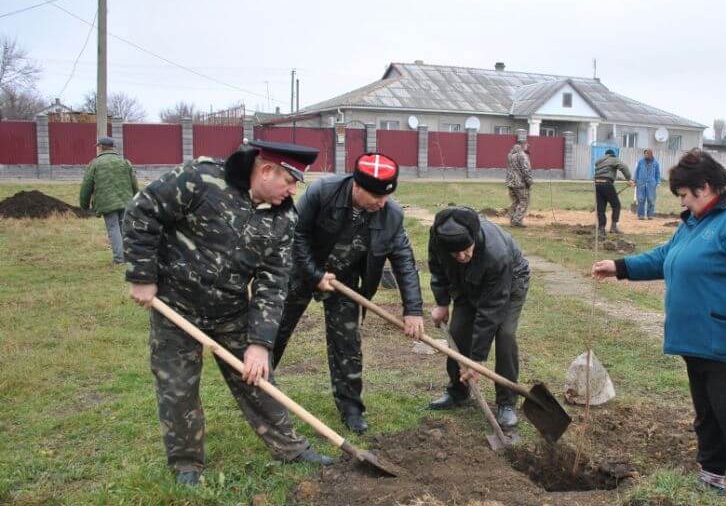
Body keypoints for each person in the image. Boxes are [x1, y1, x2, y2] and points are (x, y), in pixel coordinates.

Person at [123, 140, 333, 485]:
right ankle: (187, 465)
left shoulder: (283, 218)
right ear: (266, 171)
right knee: (177, 388)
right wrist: (141, 276)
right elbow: (143, 210)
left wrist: (260, 342)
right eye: (290, 181)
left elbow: (274, 280)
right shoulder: (201, 179)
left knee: (257, 378)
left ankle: (291, 449)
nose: (294, 190)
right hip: (175, 305)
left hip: (230, 310)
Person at [593, 149, 726, 506]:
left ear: (706, 187)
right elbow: (669, 256)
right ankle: (710, 477)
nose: (681, 201)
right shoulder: (699, 219)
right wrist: (620, 267)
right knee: (708, 412)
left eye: (684, 194)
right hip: (701, 340)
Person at [272, 153, 423, 434]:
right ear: (356, 186)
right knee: (276, 329)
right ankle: (260, 387)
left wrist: (413, 308)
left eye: (387, 195)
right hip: (303, 269)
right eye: (376, 195)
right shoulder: (323, 192)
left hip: (345, 279)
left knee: (348, 345)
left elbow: (403, 259)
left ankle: (351, 408)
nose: (382, 202)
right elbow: (296, 234)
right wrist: (315, 276)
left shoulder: (391, 214)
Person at [426, 207, 530, 430]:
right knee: (458, 332)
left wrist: (477, 360)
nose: (462, 257)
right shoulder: (439, 238)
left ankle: (507, 402)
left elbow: (491, 309)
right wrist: (442, 302)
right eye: (455, 254)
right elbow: (437, 268)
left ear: (474, 238)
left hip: (510, 282)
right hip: (466, 282)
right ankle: (458, 391)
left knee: (505, 335)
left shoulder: (496, 253)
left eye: (466, 250)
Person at [79, 136, 138, 264]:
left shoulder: (95, 163)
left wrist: (84, 205)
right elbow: (134, 183)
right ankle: (128, 257)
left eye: (98, 146)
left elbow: (86, 186)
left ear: (100, 147)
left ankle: (119, 259)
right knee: (124, 228)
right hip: (126, 201)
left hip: (107, 202)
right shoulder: (124, 162)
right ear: (112, 147)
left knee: (113, 228)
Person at [593, 149, 635, 238]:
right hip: (607, 184)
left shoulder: (600, 161)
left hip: (597, 184)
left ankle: (601, 229)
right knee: (616, 205)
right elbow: (623, 166)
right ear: (612, 154)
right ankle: (613, 227)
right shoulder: (613, 159)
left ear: (606, 154)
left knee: (601, 208)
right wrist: (629, 179)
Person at [505, 139, 533, 227]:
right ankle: (517, 220)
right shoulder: (522, 155)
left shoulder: (510, 155)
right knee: (524, 201)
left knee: (515, 201)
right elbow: (525, 170)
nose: (528, 146)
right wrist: (529, 181)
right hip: (520, 183)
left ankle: (512, 219)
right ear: (523, 145)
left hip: (510, 182)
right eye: (527, 145)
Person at [634, 149, 661, 220]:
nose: (646, 155)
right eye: (645, 153)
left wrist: (658, 182)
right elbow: (637, 172)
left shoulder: (655, 163)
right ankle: (641, 215)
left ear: (651, 154)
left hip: (651, 184)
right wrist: (635, 181)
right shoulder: (640, 162)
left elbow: (658, 174)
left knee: (651, 200)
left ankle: (650, 215)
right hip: (641, 183)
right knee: (640, 199)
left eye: (647, 153)